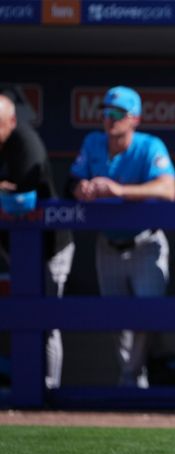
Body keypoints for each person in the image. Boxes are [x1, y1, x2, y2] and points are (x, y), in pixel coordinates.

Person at [68, 86, 175, 388]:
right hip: (108, 244)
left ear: (134, 119)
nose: (109, 118)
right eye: (105, 112)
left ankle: (133, 378)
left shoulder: (148, 145)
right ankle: (130, 380)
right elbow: (72, 182)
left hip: (145, 242)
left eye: (117, 113)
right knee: (116, 317)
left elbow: (168, 190)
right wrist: (82, 189)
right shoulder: (93, 143)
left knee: (146, 316)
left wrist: (120, 192)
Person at [0, 93, 74, 389]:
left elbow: (23, 198)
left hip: (51, 246)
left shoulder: (25, 141)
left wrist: (7, 192)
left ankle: (48, 388)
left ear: (12, 121)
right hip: (15, 247)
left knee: (46, 320)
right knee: (22, 315)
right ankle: (26, 383)